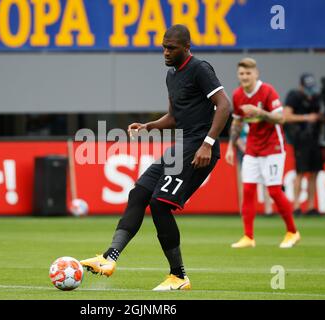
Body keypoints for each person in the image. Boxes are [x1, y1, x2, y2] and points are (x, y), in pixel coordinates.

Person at [80, 24, 231, 291]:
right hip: (181, 145)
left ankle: (179, 276)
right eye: (163, 46)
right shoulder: (172, 76)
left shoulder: (200, 69)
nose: (165, 52)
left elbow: (224, 104)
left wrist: (207, 143)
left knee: (160, 204)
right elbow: (174, 117)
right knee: (138, 193)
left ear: (187, 47)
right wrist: (149, 126)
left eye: (171, 48)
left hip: (199, 147)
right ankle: (109, 257)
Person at [225, 58, 300, 249]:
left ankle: (292, 232)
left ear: (256, 74)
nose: (245, 77)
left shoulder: (267, 91)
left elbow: (281, 118)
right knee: (248, 190)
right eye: (241, 73)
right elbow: (237, 123)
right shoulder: (238, 95)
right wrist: (230, 148)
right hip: (252, 147)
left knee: (274, 190)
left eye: (248, 73)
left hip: (273, 146)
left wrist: (260, 111)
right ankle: (248, 237)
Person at [284, 73, 325, 216]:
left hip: (315, 139)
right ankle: (296, 206)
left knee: (314, 172)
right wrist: (306, 117)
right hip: (301, 139)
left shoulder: (317, 98)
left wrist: (324, 117)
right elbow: (286, 116)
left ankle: (311, 206)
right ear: (301, 86)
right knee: (300, 172)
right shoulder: (294, 96)